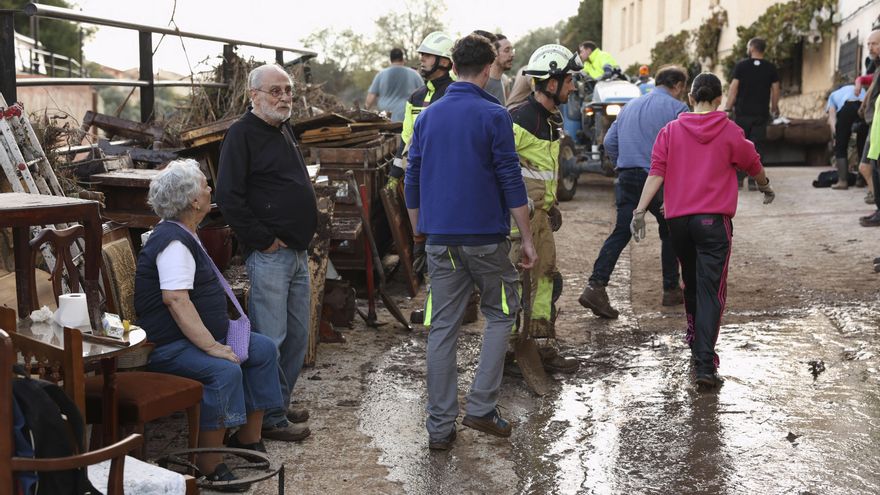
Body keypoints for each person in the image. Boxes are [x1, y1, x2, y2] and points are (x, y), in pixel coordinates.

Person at [404, 33, 537, 450]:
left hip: (440, 240)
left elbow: (411, 178)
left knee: (442, 328)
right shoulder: (494, 114)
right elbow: (510, 178)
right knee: (500, 314)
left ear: (453, 65)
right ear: (486, 69)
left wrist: (417, 228)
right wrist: (528, 238)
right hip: (485, 239)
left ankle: (439, 429)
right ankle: (481, 406)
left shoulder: (427, 116)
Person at [135, 159, 285, 491]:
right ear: (192, 200)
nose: (209, 189)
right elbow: (175, 300)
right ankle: (209, 462)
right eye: (204, 185)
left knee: (261, 348)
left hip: (191, 341)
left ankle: (247, 439)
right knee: (223, 371)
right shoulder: (173, 242)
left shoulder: (184, 233)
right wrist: (212, 346)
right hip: (168, 348)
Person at [631, 72, 775, 388]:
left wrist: (640, 210)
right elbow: (753, 162)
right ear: (720, 98)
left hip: (679, 223)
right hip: (713, 223)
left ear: (691, 97)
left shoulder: (670, 131)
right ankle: (705, 366)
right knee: (712, 291)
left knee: (692, 285)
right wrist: (765, 186)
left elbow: (657, 172)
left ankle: (695, 342)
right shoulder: (730, 131)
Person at [216, 64, 317, 442]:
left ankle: (278, 402)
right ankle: (268, 418)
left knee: (296, 337)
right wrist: (263, 239)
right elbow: (228, 196)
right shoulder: (241, 135)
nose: (284, 97)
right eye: (275, 91)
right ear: (253, 95)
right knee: (270, 339)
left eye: (288, 90)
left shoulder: (283, 128)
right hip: (272, 254)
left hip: (296, 251)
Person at [578, 66, 689, 319]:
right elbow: (683, 150)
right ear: (679, 85)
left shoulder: (630, 106)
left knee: (621, 231)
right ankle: (671, 289)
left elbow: (609, 143)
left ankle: (596, 285)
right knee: (671, 230)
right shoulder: (677, 109)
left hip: (628, 175)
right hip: (658, 180)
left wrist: (621, 163)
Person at [507, 44, 582, 373]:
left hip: (541, 216)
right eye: (569, 81)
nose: (573, 86)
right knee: (511, 282)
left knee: (546, 276)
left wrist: (551, 206)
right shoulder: (518, 120)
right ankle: (508, 350)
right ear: (551, 83)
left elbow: (543, 169)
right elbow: (499, 169)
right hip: (518, 219)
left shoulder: (552, 119)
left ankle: (540, 345)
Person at [386, 31, 456, 275]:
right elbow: (407, 139)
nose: (423, 59)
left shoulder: (454, 93)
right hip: (420, 178)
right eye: (422, 55)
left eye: (428, 55)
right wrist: (396, 172)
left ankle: (464, 302)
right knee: (425, 241)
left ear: (445, 61)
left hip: (448, 180)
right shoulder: (415, 96)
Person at [722, 37, 780, 190]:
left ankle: (740, 180)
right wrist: (774, 108)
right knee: (756, 146)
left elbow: (734, 88)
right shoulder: (770, 67)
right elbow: (775, 90)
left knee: (741, 145)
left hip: (742, 114)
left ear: (752, 48)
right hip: (761, 114)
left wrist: (727, 108)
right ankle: (754, 180)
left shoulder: (741, 66)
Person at [825, 82, 867, 190]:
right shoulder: (859, 88)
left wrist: (836, 135)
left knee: (841, 146)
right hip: (866, 107)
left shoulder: (833, 95)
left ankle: (842, 181)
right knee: (863, 145)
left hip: (848, 106)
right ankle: (861, 179)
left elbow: (832, 118)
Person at [857, 30, 880, 226]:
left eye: (874, 44)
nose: (870, 48)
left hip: (878, 124)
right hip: (874, 123)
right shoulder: (877, 67)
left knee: (868, 166)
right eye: (869, 44)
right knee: (870, 167)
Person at [364, 48, 424, 122]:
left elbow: (370, 98)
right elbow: (424, 93)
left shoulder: (381, 75)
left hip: (385, 118)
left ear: (391, 60)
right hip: (406, 117)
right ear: (403, 59)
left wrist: (364, 112)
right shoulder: (414, 74)